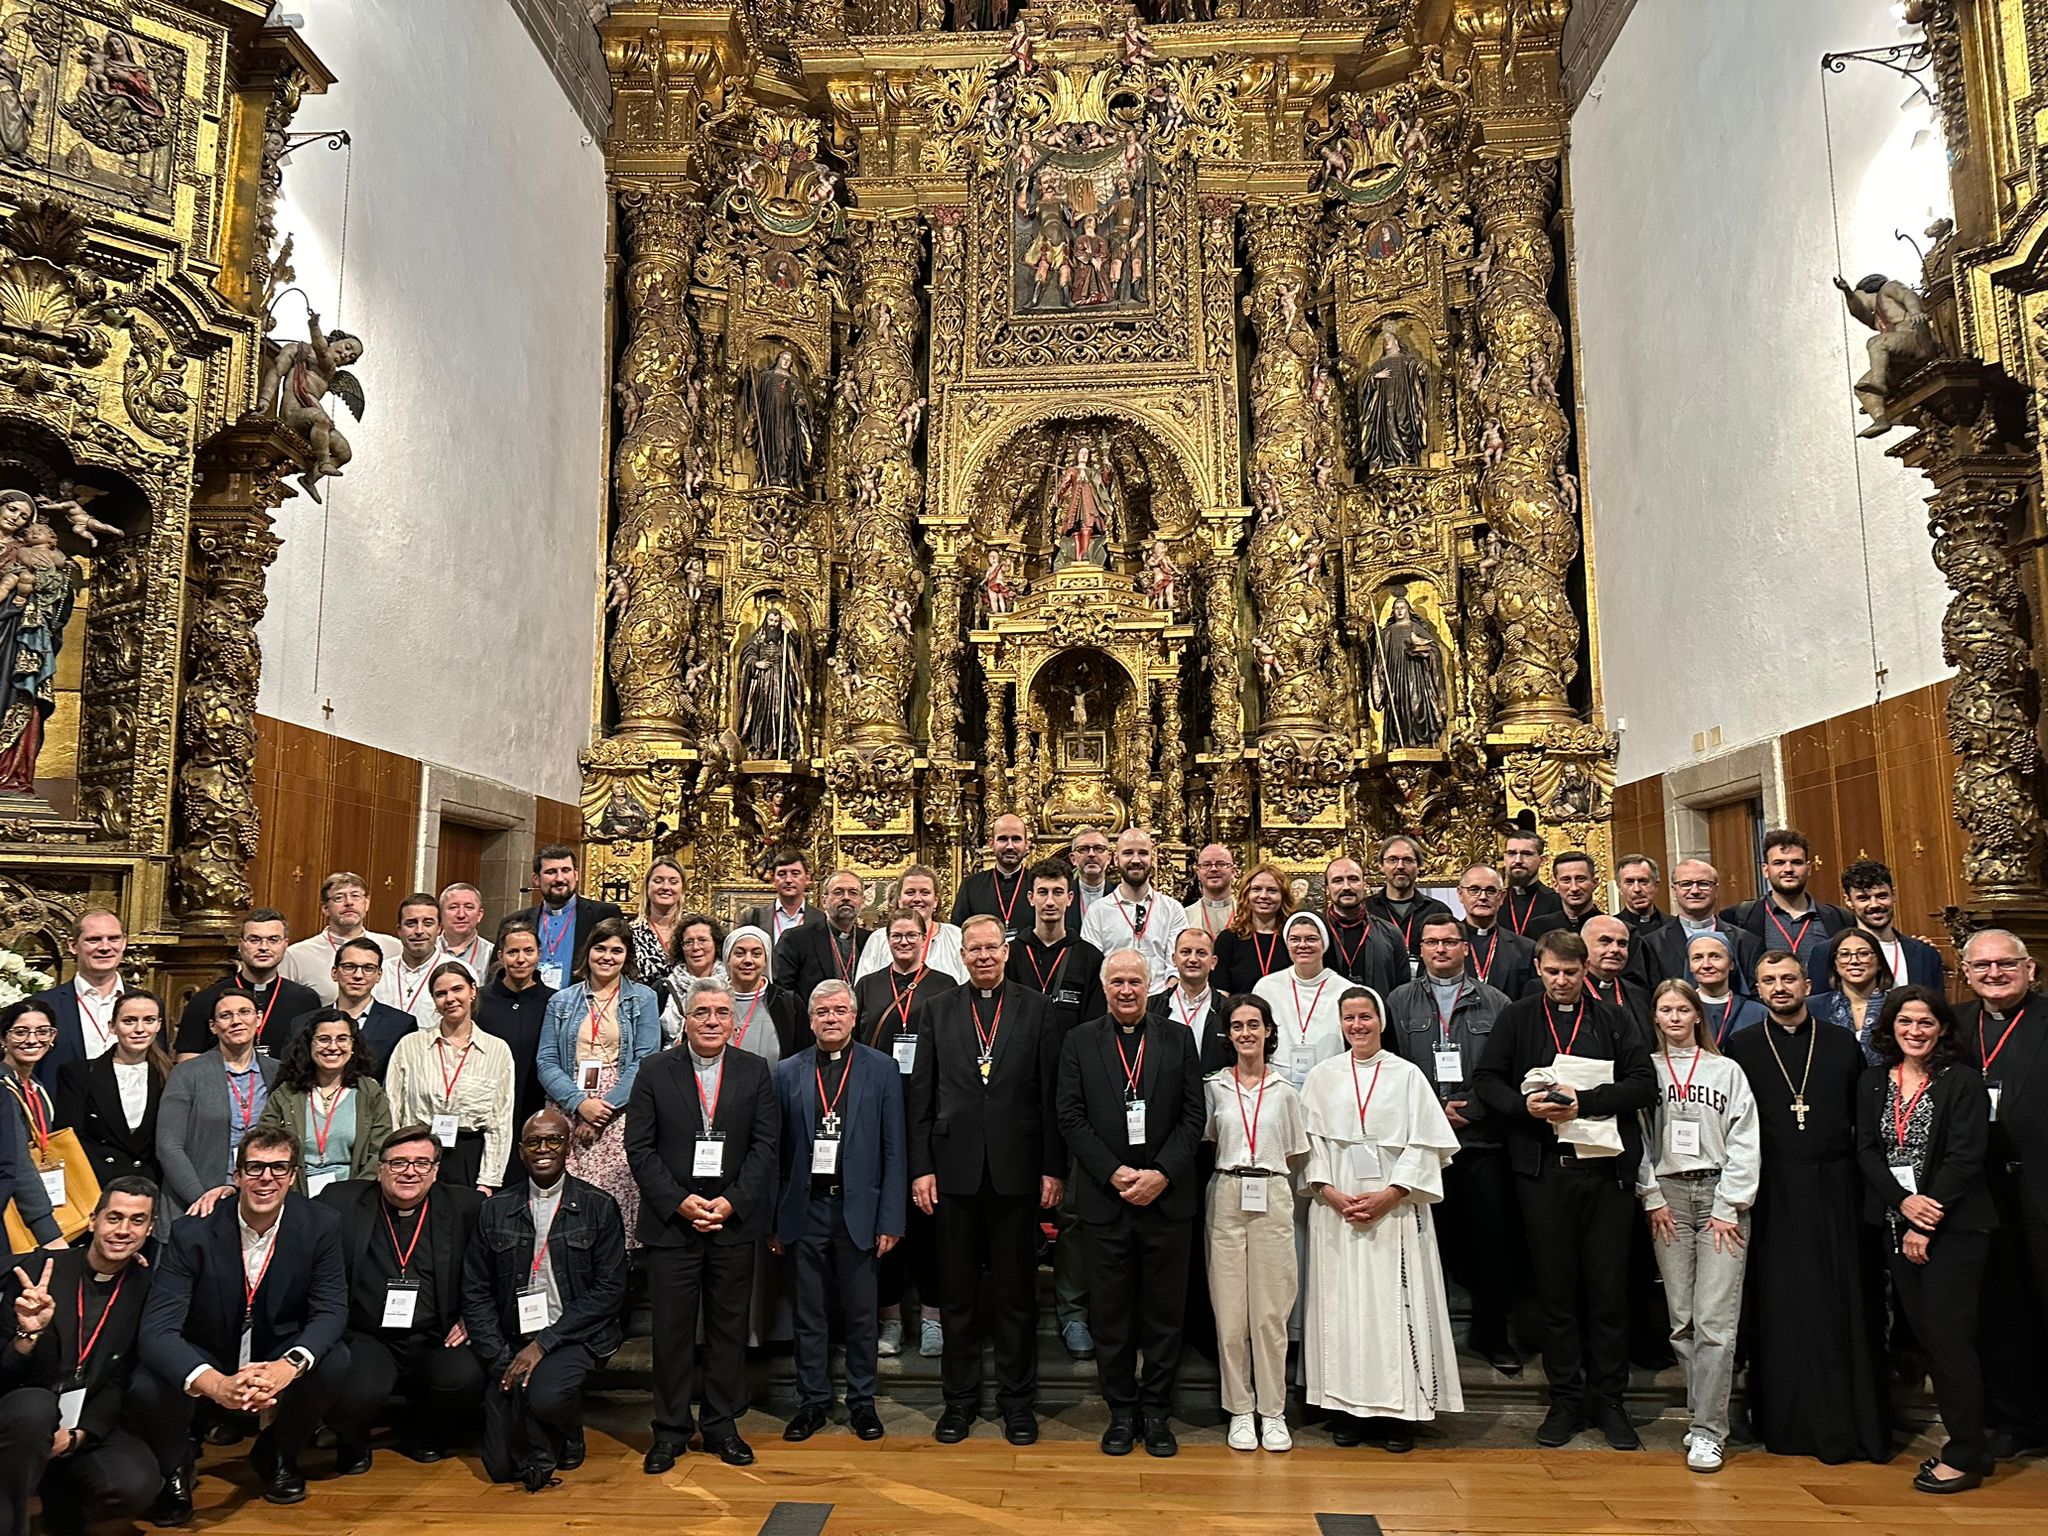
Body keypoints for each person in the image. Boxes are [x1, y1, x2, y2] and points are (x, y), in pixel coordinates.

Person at [1472, 929, 1656, 1450]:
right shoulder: (1519, 1017)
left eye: (1571, 973)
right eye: (1552, 972)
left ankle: (1610, 1401)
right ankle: (1566, 1399)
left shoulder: (1615, 1019)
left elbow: (1645, 1084)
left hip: (1605, 1174)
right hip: (1544, 1172)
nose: (1561, 982)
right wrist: (1522, 1107)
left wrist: (1588, 1101)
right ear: (1539, 967)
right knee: (1554, 1292)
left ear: (1586, 971)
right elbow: (1486, 1080)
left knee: (1607, 1294)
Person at [1724, 949, 1890, 1463]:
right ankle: (1786, 1422)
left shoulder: (1840, 1043)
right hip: (1774, 1195)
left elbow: (1865, 1125)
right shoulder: (1743, 1047)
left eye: (1788, 978)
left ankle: (1853, 1424)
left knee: (1845, 1302)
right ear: (1757, 987)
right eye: (1769, 980)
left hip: (1837, 1190)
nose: (1779, 987)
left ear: (1808, 982)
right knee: (1783, 1305)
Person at [134, 1126, 349, 1513]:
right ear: (236, 1176)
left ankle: (278, 1453)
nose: (266, 1178)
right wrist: (215, 1385)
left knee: (334, 1362)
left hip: (277, 1346)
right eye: (255, 1168)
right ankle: (175, 1465)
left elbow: (331, 1310)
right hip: (211, 1348)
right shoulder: (192, 1231)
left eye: (279, 1168)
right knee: (147, 1381)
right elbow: (157, 1330)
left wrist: (290, 1365)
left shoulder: (322, 1225)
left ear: (293, 1175)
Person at [910, 916, 1065, 1445]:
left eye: (990, 948)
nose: (982, 956)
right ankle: (959, 1402)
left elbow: (1049, 1096)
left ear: (1005, 951)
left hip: (1017, 1173)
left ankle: (1018, 1404)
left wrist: (1052, 1167)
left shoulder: (1036, 1009)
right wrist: (921, 1167)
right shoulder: (937, 1010)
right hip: (953, 1174)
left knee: (1017, 1297)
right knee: (956, 1297)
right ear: (963, 955)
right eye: (973, 948)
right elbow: (922, 1098)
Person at [1058, 948, 1206, 1457]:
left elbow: (1194, 1117)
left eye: (1135, 982)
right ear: (1104, 987)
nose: (1126, 990)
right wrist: (1116, 1172)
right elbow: (1070, 1116)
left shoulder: (1178, 1038)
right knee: (1112, 1314)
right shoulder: (1079, 1041)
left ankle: (1157, 1412)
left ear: (1151, 986)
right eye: (1117, 981)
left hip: (1167, 1200)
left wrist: (1161, 1173)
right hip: (1107, 1199)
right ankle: (1121, 1411)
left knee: (1165, 1314)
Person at [1302, 986, 1462, 1452]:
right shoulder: (1322, 1076)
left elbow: (1425, 1144)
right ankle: (1346, 1408)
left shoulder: (1407, 1075)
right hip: (1339, 1207)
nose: (1358, 1026)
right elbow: (1310, 1146)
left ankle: (1399, 1413)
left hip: (1394, 1209)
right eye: (1349, 1018)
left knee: (1393, 1309)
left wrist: (1391, 1194)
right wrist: (1330, 1192)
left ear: (1381, 1020)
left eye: (1366, 1017)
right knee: (1342, 1308)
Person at [626, 982, 778, 1472]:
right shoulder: (653, 1070)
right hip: (673, 1225)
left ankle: (721, 1426)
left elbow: (765, 1147)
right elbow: (640, 1148)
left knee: (727, 1331)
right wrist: (679, 1201)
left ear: (734, 1022)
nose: (712, 1021)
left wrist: (731, 1202)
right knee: (670, 1333)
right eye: (701, 1013)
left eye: (721, 1013)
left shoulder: (754, 1072)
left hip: (732, 1225)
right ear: (685, 1019)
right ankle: (669, 1431)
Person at [1856, 987, 1994, 1493]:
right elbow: (1868, 1150)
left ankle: (1964, 1454)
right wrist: (1900, 1203)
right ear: (1890, 1028)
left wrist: (1923, 1219)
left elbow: (1965, 1156)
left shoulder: (1961, 1081)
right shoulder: (1873, 1081)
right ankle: (1972, 1446)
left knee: (1949, 1343)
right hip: (1896, 1224)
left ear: (1942, 1029)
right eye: (1905, 1022)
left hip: (1952, 1229)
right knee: (1929, 1339)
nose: (1915, 1031)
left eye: (1926, 1023)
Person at [462, 1107, 625, 1492]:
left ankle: (568, 1434)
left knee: (546, 1396)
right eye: (534, 1141)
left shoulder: (598, 1205)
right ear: (521, 1151)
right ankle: (540, 1429)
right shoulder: (495, 1209)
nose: (543, 1148)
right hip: (511, 1336)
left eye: (553, 1139)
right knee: (501, 1469)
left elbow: (610, 1290)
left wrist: (543, 1344)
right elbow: (476, 1289)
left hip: (575, 1334)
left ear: (568, 1145)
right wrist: (500, 1358)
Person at [771, 981, 905, 1443]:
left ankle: (863, 1402)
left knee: (862, 1313)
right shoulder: (786, 1072)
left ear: (854, 1017)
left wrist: (891, 1218)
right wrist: (774, 1218)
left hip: (859, 1209)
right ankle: (811, 1401)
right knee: (809, 1314)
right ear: (810, 1020)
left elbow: (895, 1149)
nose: (831, 1018)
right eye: (822, 1011)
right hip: (804, 1211)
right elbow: (775, 1152)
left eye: (840, 1010)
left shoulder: (881, 1068)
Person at [1635, 979, 1760, 1474]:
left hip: (1718, 1199)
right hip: (1668, 1199)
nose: (1674, 1018)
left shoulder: (1725, 1071)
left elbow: (1746, 1139)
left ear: (1696, 1016)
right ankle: (1700, 1414)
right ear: (1656, 1017)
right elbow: (1637, 1138)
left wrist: (1730, 1204)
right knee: (1682, 1319)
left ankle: (1710, 1430)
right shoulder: (1645, 1070)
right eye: (1664, 1009)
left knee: (1715, 1321)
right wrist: (1651, 1195)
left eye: (1682, 1009)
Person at [1385, 916, 1519, 1374]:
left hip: (1479, 1141)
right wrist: (1426, 1111)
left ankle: (1491, 1335)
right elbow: (1392, 1067)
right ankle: (1421, 1338)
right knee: (1423, 1245)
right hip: (1422, 1142)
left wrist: (1475, 1107)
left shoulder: (1496, 1002)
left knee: (1490, 1245)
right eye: (1431, 943)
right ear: (1419, 949)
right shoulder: (1399, 1002)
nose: (1440, 949)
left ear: (1466, 948)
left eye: (1449, 942)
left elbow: (1506, 1068)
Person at [315, 1125, 483, 1471]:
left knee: (464, 1377)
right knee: (351, 1387)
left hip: (437, 1335)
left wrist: (471, 1316)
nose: (410, 1171)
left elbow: (494, 1267)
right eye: (398, 1163)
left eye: (422, 1163)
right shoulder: (341, 1201)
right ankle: (354, 1439)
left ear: (436, 1171)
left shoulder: (466, 1205)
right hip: (368, 1336)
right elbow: (288, 1217)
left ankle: (424, 1431)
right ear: (380, 1169)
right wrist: (228, 1191)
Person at [0, 1179, 158, 1536]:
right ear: (92, 1221)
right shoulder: (40, 1273)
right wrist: (27, 1334)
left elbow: (122, 1379)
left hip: (81, 1419)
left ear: (150, 1229)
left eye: (137, 1221)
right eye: (114, 1217)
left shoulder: (145, 1286)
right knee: (35, 1407)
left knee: (137, 1484)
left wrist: (79, 1435)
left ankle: (61, 1496)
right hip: (23, 1420)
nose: (123, 1230)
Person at [1954, 928, 2048, 1462]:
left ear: (2030, 968)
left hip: (2040, 1186)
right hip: (1980, 1193)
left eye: (2005, 965)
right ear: (1965, 973)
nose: (1994, 974)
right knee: (1999, 1311)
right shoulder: (1956, 1025)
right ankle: (2012, 1419)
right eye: (1981, 966)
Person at [1202, 994, 1307, 1453]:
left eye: (1254, 1024)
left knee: (1269, 1314)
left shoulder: (1286, 1090)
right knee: (1229, 1315)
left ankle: (1273, 1411)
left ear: (1268, 1031)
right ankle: (1240, 1410)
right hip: (1226, 1193)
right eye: (1238, 1026)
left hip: (1271, 1194)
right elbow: (1208, 1139)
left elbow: (1294, 1152)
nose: (1247, 1033)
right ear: (1229, 1035)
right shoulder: (1213, 1087)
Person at [537, 917, 660, 1248]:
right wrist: (581, 1104)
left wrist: (603, 1111)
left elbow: (645, 1061)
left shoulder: (643, 999)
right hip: (567, 1105)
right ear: (588, 952)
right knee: (568, 1202)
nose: (607, 956)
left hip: (621, 1110)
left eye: (616, 950)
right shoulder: (561, 1001)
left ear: (627, 956)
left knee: (614, 1197)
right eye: (600, 948)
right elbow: (546, 1062)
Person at [384, 965, 516, 1192]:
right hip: (416, 1156)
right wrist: (396, 1163)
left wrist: (488, 1180)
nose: (450, 999)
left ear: (473, 991)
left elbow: (500, 1121)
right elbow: (393, 1107)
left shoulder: (497, 1050)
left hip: (468, 1158)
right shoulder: (411, 1045)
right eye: (441, 994)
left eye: (457, 989)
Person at [155, 991, 280, 1215]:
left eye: (244, 1012)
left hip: (263, 1196)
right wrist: (201, 1197)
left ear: (258, 1018)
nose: (236, 1021)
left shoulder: (277, 1072)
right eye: (226, 1015)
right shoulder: (188, 1072)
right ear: (213, 1026)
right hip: (198, 1199)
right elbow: (168, 1146)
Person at [253, 1010, 394, 1196]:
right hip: (293, 1194)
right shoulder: (287, 1092)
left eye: (342, 1039)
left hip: (353, 1195)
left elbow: (380, 1151)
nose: (333, 1047)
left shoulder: (369, 1092)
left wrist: (356, 1193)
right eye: (324, 1039)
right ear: (309, 1045)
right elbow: (265, 1143)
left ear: (353, 1045)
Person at [55, 991, 166, 1194]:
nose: (139, 1029)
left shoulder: (169, 1076)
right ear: (112, 1027)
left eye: (148, 1020)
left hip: (150, 1186)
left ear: (158, 1025)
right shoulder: (79, 1074)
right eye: (129, 1021)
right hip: (97, 1186)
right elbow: (68, 1141)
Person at [171, 910, 318, 1060]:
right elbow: (187, 1061)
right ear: (240, 945)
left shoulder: (306, 1000)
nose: (263, 947)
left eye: (273, 940)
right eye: (254, 940)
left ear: (285, 944)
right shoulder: (206, 999)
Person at [1723, 828, 1852, 977]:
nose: (1788, 869)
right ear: (1765, 870)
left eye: (1797, 862)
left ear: (1809, 868)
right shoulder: (1739, 918)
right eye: (1779, 863)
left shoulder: (1840, 918)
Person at [1080, 827, 1188, 996]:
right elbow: (1092, 967)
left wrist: (1161, 1003)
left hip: (1161, 1005)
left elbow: (1177, 966)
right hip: (1113, 1003)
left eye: (1143, 853)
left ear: (1153, 858)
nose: (1136, 860)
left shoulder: (1173, 909)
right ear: (1115, 859)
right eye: (1128, 853)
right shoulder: (1098, 912)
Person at [476, 919, 557, 1138]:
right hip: (488, 1104)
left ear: (539, 953)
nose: (521, 959)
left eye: (528, 951)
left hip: (537, 1105)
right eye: (513, 952)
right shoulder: (478, 1001)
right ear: (501, 956)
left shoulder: (555, 1001)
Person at [28, 908, 126, 1088]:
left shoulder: (147, 1004)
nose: (105, 947)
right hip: (63, 1113)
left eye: (113, 938)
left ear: (124, 943)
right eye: (93, 940)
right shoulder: (43, 1006)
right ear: (73, 946)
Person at [508, 845, 626, 992]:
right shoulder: (516, 921)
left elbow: (623, 966)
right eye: (551, 872)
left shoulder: (604, 914)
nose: (560, 878)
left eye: (566, 870)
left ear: (576, 874)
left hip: (585, 1006)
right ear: (536, 879)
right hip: (529, 1007)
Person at [0, 1003, 70, 1249]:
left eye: (43, 1031)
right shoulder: (3, 1088)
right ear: (3, 1038)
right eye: (20, 1032)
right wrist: (48, 1233)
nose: (32, 1040)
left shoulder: (35, 1087)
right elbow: (18, 1162)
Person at [1009, 860, 1106, 1037]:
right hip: (1020, 1056)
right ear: (1031, 898)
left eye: (1058, 892)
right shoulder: (1011, 955)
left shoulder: (1090, 958)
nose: (1050, 902)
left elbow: (1094, 1023)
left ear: (1070, 898)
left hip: (1071, 1057)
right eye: (1043, 892)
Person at [1253, 913, 1347, 1090]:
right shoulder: (1266, 987)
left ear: (1324, 943)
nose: (1302, 945)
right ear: (1287, 944)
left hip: (1330, 1084)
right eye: (1295, 939)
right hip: (1276, 1086)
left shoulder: (1345, 991)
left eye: (1311, 939)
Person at [280, 873, 399, 1006]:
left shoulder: (393, 948)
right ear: (325, 908)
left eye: (355, 896)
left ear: (366, 904)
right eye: (339, 898)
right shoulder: (296, 955)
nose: (349, 902)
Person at [1650, 860, 1764, 991]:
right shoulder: (1653, 944)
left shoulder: (1746, 942)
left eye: (1704, 884)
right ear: (1674, 890)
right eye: (1686, 884)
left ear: (1716, 889)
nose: (1695, 891)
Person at [312, 937, 417, 1077]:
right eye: (349, 967)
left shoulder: (401, 1025)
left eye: (368, 968)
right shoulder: (305, 1023)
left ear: (379, 975)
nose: (358, 975)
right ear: (334, 972)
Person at [1840, 858, 1948, 991]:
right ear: (1848, 901)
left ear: (1894, 894)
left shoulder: (1925, 954)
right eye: (1864, 898)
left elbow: (1937, 1007)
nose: (1874, 905)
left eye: (1882, 896)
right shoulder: (1828, 953)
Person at [855, 866, 966, 983]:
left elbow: (967, 988)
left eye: (925, 892)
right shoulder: (878, 938)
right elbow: (864, 989)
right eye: (910, 892)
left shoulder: (956, 936)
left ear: (936, 901)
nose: (917, 898)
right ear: (899, 900)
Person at [714, 925, 805, 1068]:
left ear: (765, 960)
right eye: (739, 953)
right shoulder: (712, 999)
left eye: (756, 954)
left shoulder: (787, 1002)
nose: (748, 960)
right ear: (728, 959)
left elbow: (801, 1056)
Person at [776, 869, 871, 1006]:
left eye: (853, 893)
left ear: (862, 901)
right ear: (824, 900)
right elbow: (783, 993)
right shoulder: (796, 939)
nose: (846, 897)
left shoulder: (869, 940)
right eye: (838, 892)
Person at [1323, 856, 1412, 997]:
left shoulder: (1391, 934)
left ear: (1365, 885)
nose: (1346, 887)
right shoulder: (1314, 935)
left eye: (1353, 879)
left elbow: (1402, 992)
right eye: (1337, 881)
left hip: (1379, 1017)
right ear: (1328, 889)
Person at [1363, 838, 1454, 972]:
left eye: (1408, 860)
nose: (1400, 866)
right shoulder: (1365, 909)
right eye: (1392, 860)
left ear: (1419, 866)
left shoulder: (1438, 910)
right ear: (1381, 866)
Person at [1149, 926, 1232, 1072]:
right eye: (1186, 952)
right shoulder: (1151, 1007)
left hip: (1210, 1091)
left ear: (1213, 962)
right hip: (1164, 1091)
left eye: (1201, 953)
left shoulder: (1228, 1010)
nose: (1193, 959)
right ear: (1174, 959)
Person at [1812, 926, 1895, 1063]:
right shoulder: (1813, 1007)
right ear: (1835, 964)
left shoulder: (1898, 1005)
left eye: (1863, 953)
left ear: (1879, 961)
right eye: (1844, 955)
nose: (1854, 961)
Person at [1458, 864, 1535, 998]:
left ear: (1502, 897)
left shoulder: (1526, 948)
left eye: (1491, 891)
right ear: (1460, 894)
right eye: (1474, 890)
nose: (1482, 897)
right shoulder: (1442, 944)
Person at [1216, 863, 1293, 995]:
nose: (1264, 896)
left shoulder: (1293, 939)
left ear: (1283, 897)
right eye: (1256, 889)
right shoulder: (1228, 939)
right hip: (1240, 1014)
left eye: (1272, 890)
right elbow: (1221, 992)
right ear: (1246, 895)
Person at [951, 815, 1033, 938]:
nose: (1010, 846)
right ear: (991, 843)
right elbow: (957, 934)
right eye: (1003, 839)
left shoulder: (1037, 884)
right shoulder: (971, 886)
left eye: (1016, 839)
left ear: (1026, 844)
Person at [373, 893, 446, 1031]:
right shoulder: (379, 972)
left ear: (439, 929)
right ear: (399, 930)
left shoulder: (458, 972)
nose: (419, 931)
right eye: (411, 923)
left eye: (428, 923)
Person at [1684, 932, 1765, 1044]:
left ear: (1731, 964)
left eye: (1715, 956)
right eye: (1697, 958)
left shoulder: (1757, 1012)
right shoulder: (1679, 1011)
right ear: (1690, 966)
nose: (1706, 965)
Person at [629, 858, 689, 1005]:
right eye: (658, 880)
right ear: (647, 886)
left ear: (682, 889)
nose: (665, 887)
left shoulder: (693, 930)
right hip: (643, 1012)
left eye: (673, 882)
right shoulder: (629, 932)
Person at [739, 847, 822, 949]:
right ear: (773, 878)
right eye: (782, 874)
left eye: (795, 874)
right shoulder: (754, 918)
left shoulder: (821, 919)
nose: (788, 880)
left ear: (807, 878)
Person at [1581, 915, 1649, 1033]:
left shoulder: (1639, 996)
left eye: (1622, 944)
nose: (1615, 949)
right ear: (1583, 946)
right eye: (1605, 941)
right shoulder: (1569, 991)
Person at [1501, 829, 1565, 938]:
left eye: (1526, 854)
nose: (1518, 860)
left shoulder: (1557, 902)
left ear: (1542, 860)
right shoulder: (1496, 901)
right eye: (1511, 853)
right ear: (1504, 858)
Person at [1614, 856, 1671, 971]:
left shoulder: (1674, 926)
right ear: (1619, 887)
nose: (1637, 889)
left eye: (1643, 881)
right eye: (1629, 882)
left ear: (1656, 884)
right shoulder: (1611, 928)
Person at [435, 883, 493, 981]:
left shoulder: (491, 954)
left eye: (469, 907)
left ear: (479, 915)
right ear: (440, 914)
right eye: (453, 907)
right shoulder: (428, 950)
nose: (461, 914)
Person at [1180, 843, 1239, 938]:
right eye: (1206, 865)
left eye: (1221, 864)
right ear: (1198, 873)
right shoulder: (1184, 916)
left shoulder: (1248, 914)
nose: (1213, 869)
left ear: (1233, 871)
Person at [1066, 826, 1113, 934]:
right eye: (1083, 849)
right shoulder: (1062, 895)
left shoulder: (1118, 895)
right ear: (1073, 859)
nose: (1091, 854)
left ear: (1109, 857)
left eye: (1099, 848)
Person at [1551, 852, 1604, 936]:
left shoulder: (1614, 928)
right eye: (1566, 880)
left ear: (1594, 883)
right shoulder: (1537, 928)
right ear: (1555, 885)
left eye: (1581, 879)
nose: (1574, 888)